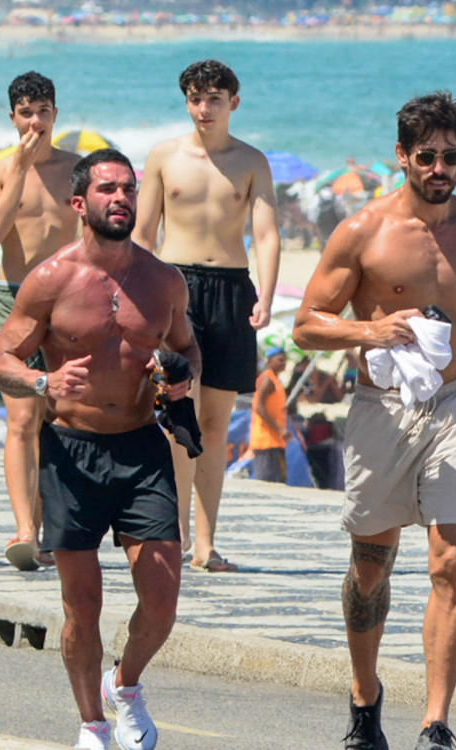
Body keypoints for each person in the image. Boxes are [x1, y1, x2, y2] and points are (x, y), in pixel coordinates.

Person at [292, 91, 456, 750]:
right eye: (425, 155)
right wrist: (372, 328)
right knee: (372, 562)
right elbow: (307, 325)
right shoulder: (362, 231)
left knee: (451, 563)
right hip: (383, 408)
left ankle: (436, 724)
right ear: (401, 156)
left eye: (450, 156)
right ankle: (365, 698)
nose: (438, 167)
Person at [0, 149, 199, 750]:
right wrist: (41, 383)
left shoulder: (163, 280)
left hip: (141, 449)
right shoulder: (52, 278)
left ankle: (125, 685)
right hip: (71, 454)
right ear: (80, 203)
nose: (122, 198)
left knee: (161, 599)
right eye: (108, 189)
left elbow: (188, 347)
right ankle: (92, 723)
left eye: (129, 188)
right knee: (82, 606)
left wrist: (180, 380)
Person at [134, 59, 281, 573]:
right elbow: (142, 232)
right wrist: (141, 295)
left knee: (216, 424)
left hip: (232, 290)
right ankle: (171, 534)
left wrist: (266, 293)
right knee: (179, 418)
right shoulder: (163, 156)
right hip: (176, 286)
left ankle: (206, 543)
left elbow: (265, 232)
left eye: (214, 98)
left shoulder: (252, 161)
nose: (204, 108)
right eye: (196, 98)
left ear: (233, 103)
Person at [0, 71, 81, 571]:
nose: (35, 121)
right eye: (25, 112)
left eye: (43, 111)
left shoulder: (78, 171)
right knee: (20, 419)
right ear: (12, 117)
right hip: (14, 300)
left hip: (67, 303)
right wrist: (19, 166)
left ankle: (50, 524)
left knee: (58, 417)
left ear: (56, 114)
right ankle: (24, 530)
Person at [250, 346, 289, 484]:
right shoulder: (267, 379)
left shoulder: (275, 380)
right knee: (266, 483)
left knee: (278, 481)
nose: (284, 363)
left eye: (285, 360)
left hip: (275, 440)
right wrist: (279, 428)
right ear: (270, 361)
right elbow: (258, 407)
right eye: (280, 360)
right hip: (266, 440)